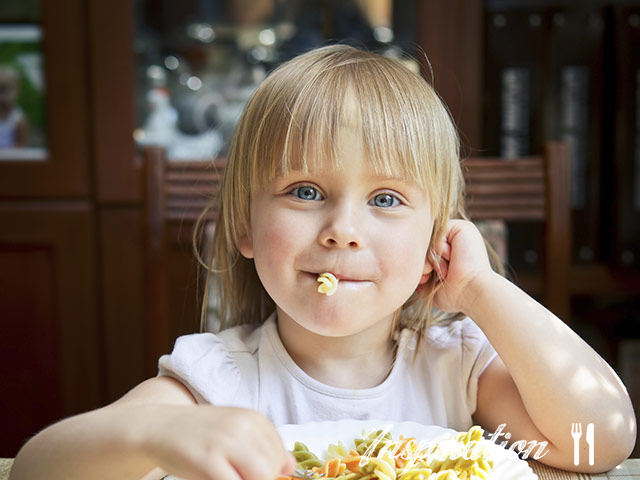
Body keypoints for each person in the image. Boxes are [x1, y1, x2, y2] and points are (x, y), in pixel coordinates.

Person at [10, 45, 636, 480]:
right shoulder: (218, 381)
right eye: (304, 192)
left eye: (386, 199)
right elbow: (37, 470)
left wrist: (480, 289)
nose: (342, 231)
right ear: (243, 228)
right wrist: (155, 436)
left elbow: (600, 438)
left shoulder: (456, 368)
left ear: (434, 244)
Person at [0, 65, 28, 148]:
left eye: (5, 91)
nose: (2, 96)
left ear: (16, 91)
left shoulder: (18, 119)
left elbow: (21, 146)